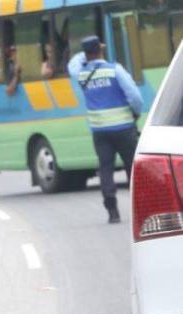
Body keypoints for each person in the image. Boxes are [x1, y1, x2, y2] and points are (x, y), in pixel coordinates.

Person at [68, 36, 143, 224]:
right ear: (101, 49)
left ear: (86, 54)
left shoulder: (81, 74)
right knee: (132, 168)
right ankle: (139, 208)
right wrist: (136, 113)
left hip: (100, 131)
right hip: (124, 127)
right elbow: (134, 96)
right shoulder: (115, 70)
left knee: (106, 169)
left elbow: (72, 64)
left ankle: (112, 211)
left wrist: (84, 53)